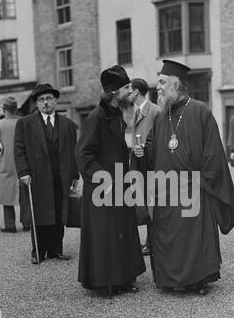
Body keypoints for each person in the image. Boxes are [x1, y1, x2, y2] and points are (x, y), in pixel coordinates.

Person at [134, 60, 234, 295]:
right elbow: (154, 148)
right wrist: (142, 152)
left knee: (195, 238)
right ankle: (172, 280)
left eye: (162, 83)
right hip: (166, 189)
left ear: (176, 83)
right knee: (168, 236)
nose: (158, 87)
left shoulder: (200, 110)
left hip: (194, 188)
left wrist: (200, 181)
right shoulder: (163, 115)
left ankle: (198, 280)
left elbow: (213, 152)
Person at [75, 65, 146, 295]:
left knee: (122, 230)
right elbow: (83, 154)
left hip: (120, 184)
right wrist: (103, 180)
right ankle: (106, 282)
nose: (130, 90)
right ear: (114, 92)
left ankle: (124, 279)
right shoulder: (96, 118)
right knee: (106, 234)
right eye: (126, 87)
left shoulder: (118, 113)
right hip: (103, 189)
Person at [14, 83, 79, 264]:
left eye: (49, 98)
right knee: (41, 213)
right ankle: (39, 251)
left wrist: (75, 175)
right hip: (37, 176)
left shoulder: (67, 124)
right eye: (41, 100)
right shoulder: (25, 123)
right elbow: (18, 150)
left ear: (56, 100)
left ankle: (56, 250)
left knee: (59, 213)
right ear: (37, 103)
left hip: (61, 176)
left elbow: (74, 150)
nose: (45, 103)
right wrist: (23, 172)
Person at [128, 78, 160, 256]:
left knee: (152, 204)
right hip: (139, 164)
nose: (128, 93)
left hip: (150, 166)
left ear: (137, 92)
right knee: (145, 203)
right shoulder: (137, 111)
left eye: (130, 90)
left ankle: (152, 243)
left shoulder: (154, 110)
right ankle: (149, 241)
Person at [0, 97, 30, 232]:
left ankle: (10, 225)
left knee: (7, 197)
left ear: (4, 110)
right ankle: (27, 223)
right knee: (24, 196)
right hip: (23, 164)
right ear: (16, 109)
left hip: (4, 165)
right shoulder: (24, 123)